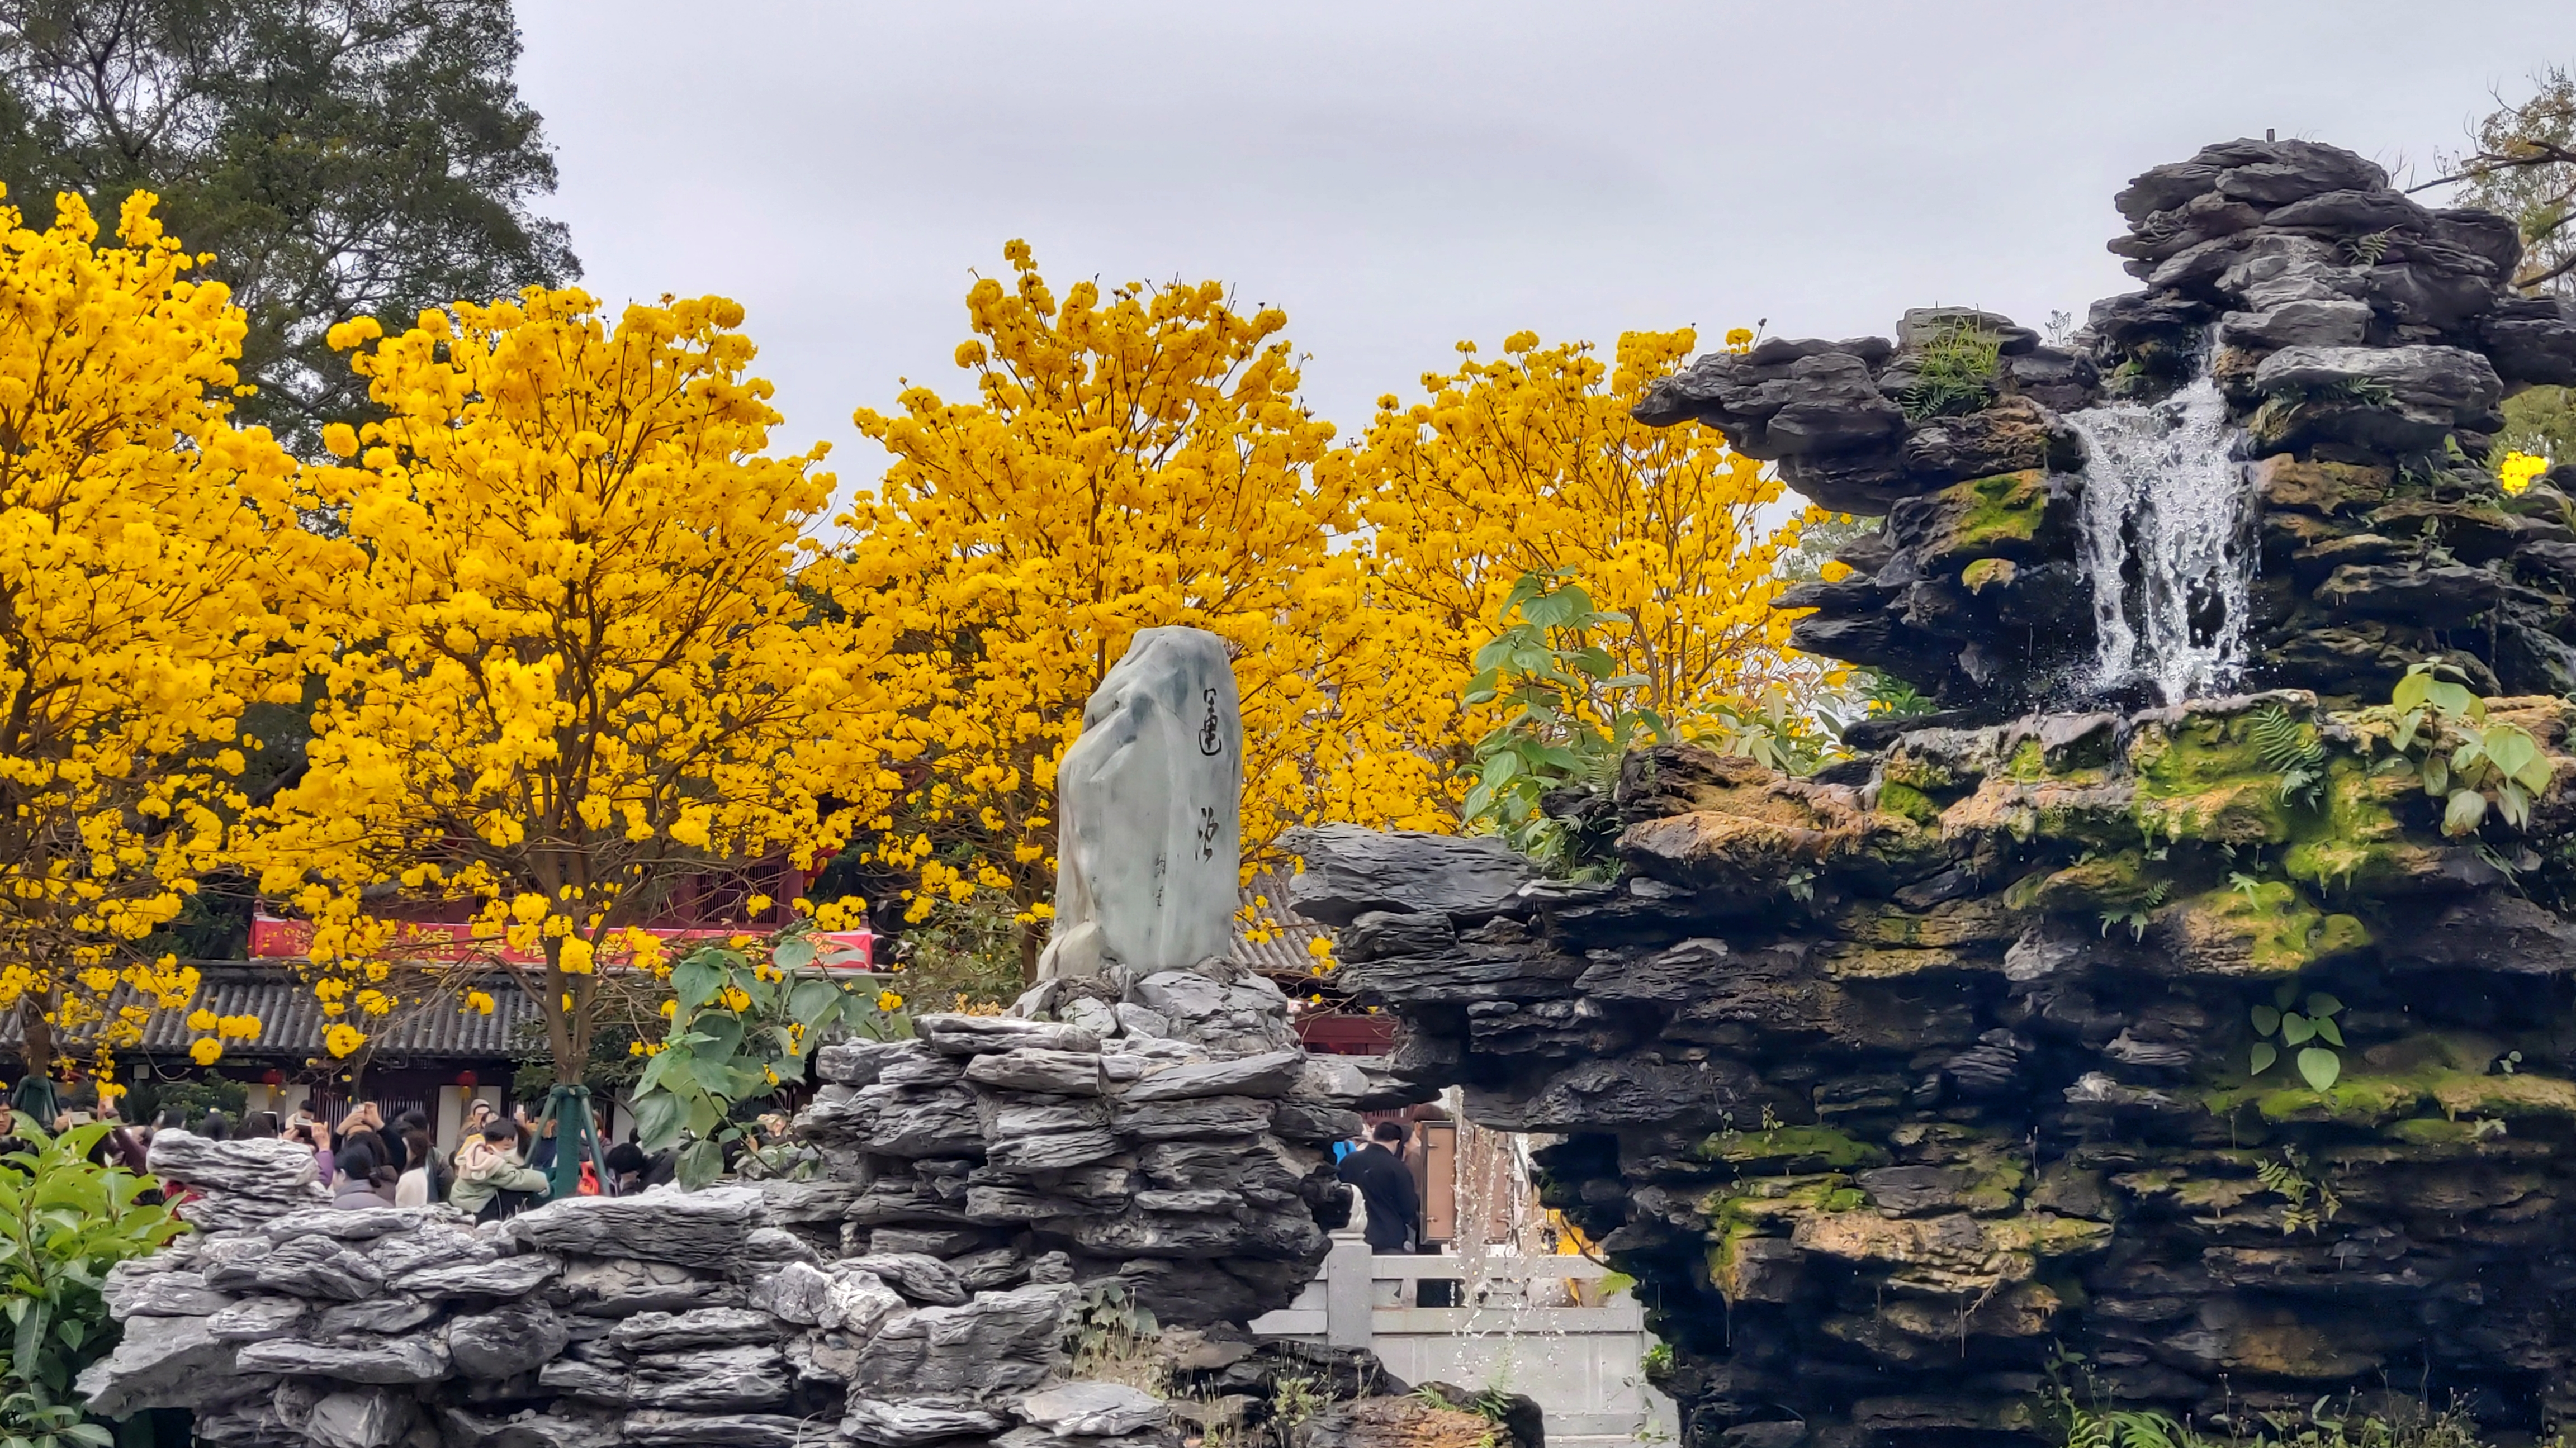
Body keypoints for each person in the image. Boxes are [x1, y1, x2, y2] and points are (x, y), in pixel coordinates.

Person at [1338, 1121, 1423, 1254]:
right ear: (1397, 1142)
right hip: (1388, 1237)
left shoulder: (1348, 1161)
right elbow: (1408, 1208)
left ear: (1374, 1137)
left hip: (1350, 1233)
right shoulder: (1398, 1168)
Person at [450, 1119, 550, 1222]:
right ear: (490, 1149)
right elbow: (516, 1178)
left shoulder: (476, 1155)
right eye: (507, 1149)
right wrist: (542, 1181)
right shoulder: (492, 1165)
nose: (511, 1152)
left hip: (463, 1204)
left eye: (514, 1148)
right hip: (478, 1210)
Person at [394, 1128, 444, 1207]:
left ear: (414, 1151)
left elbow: (401, 1208)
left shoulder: (409, 1178)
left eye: (406, 1148)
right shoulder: (422, 1172)